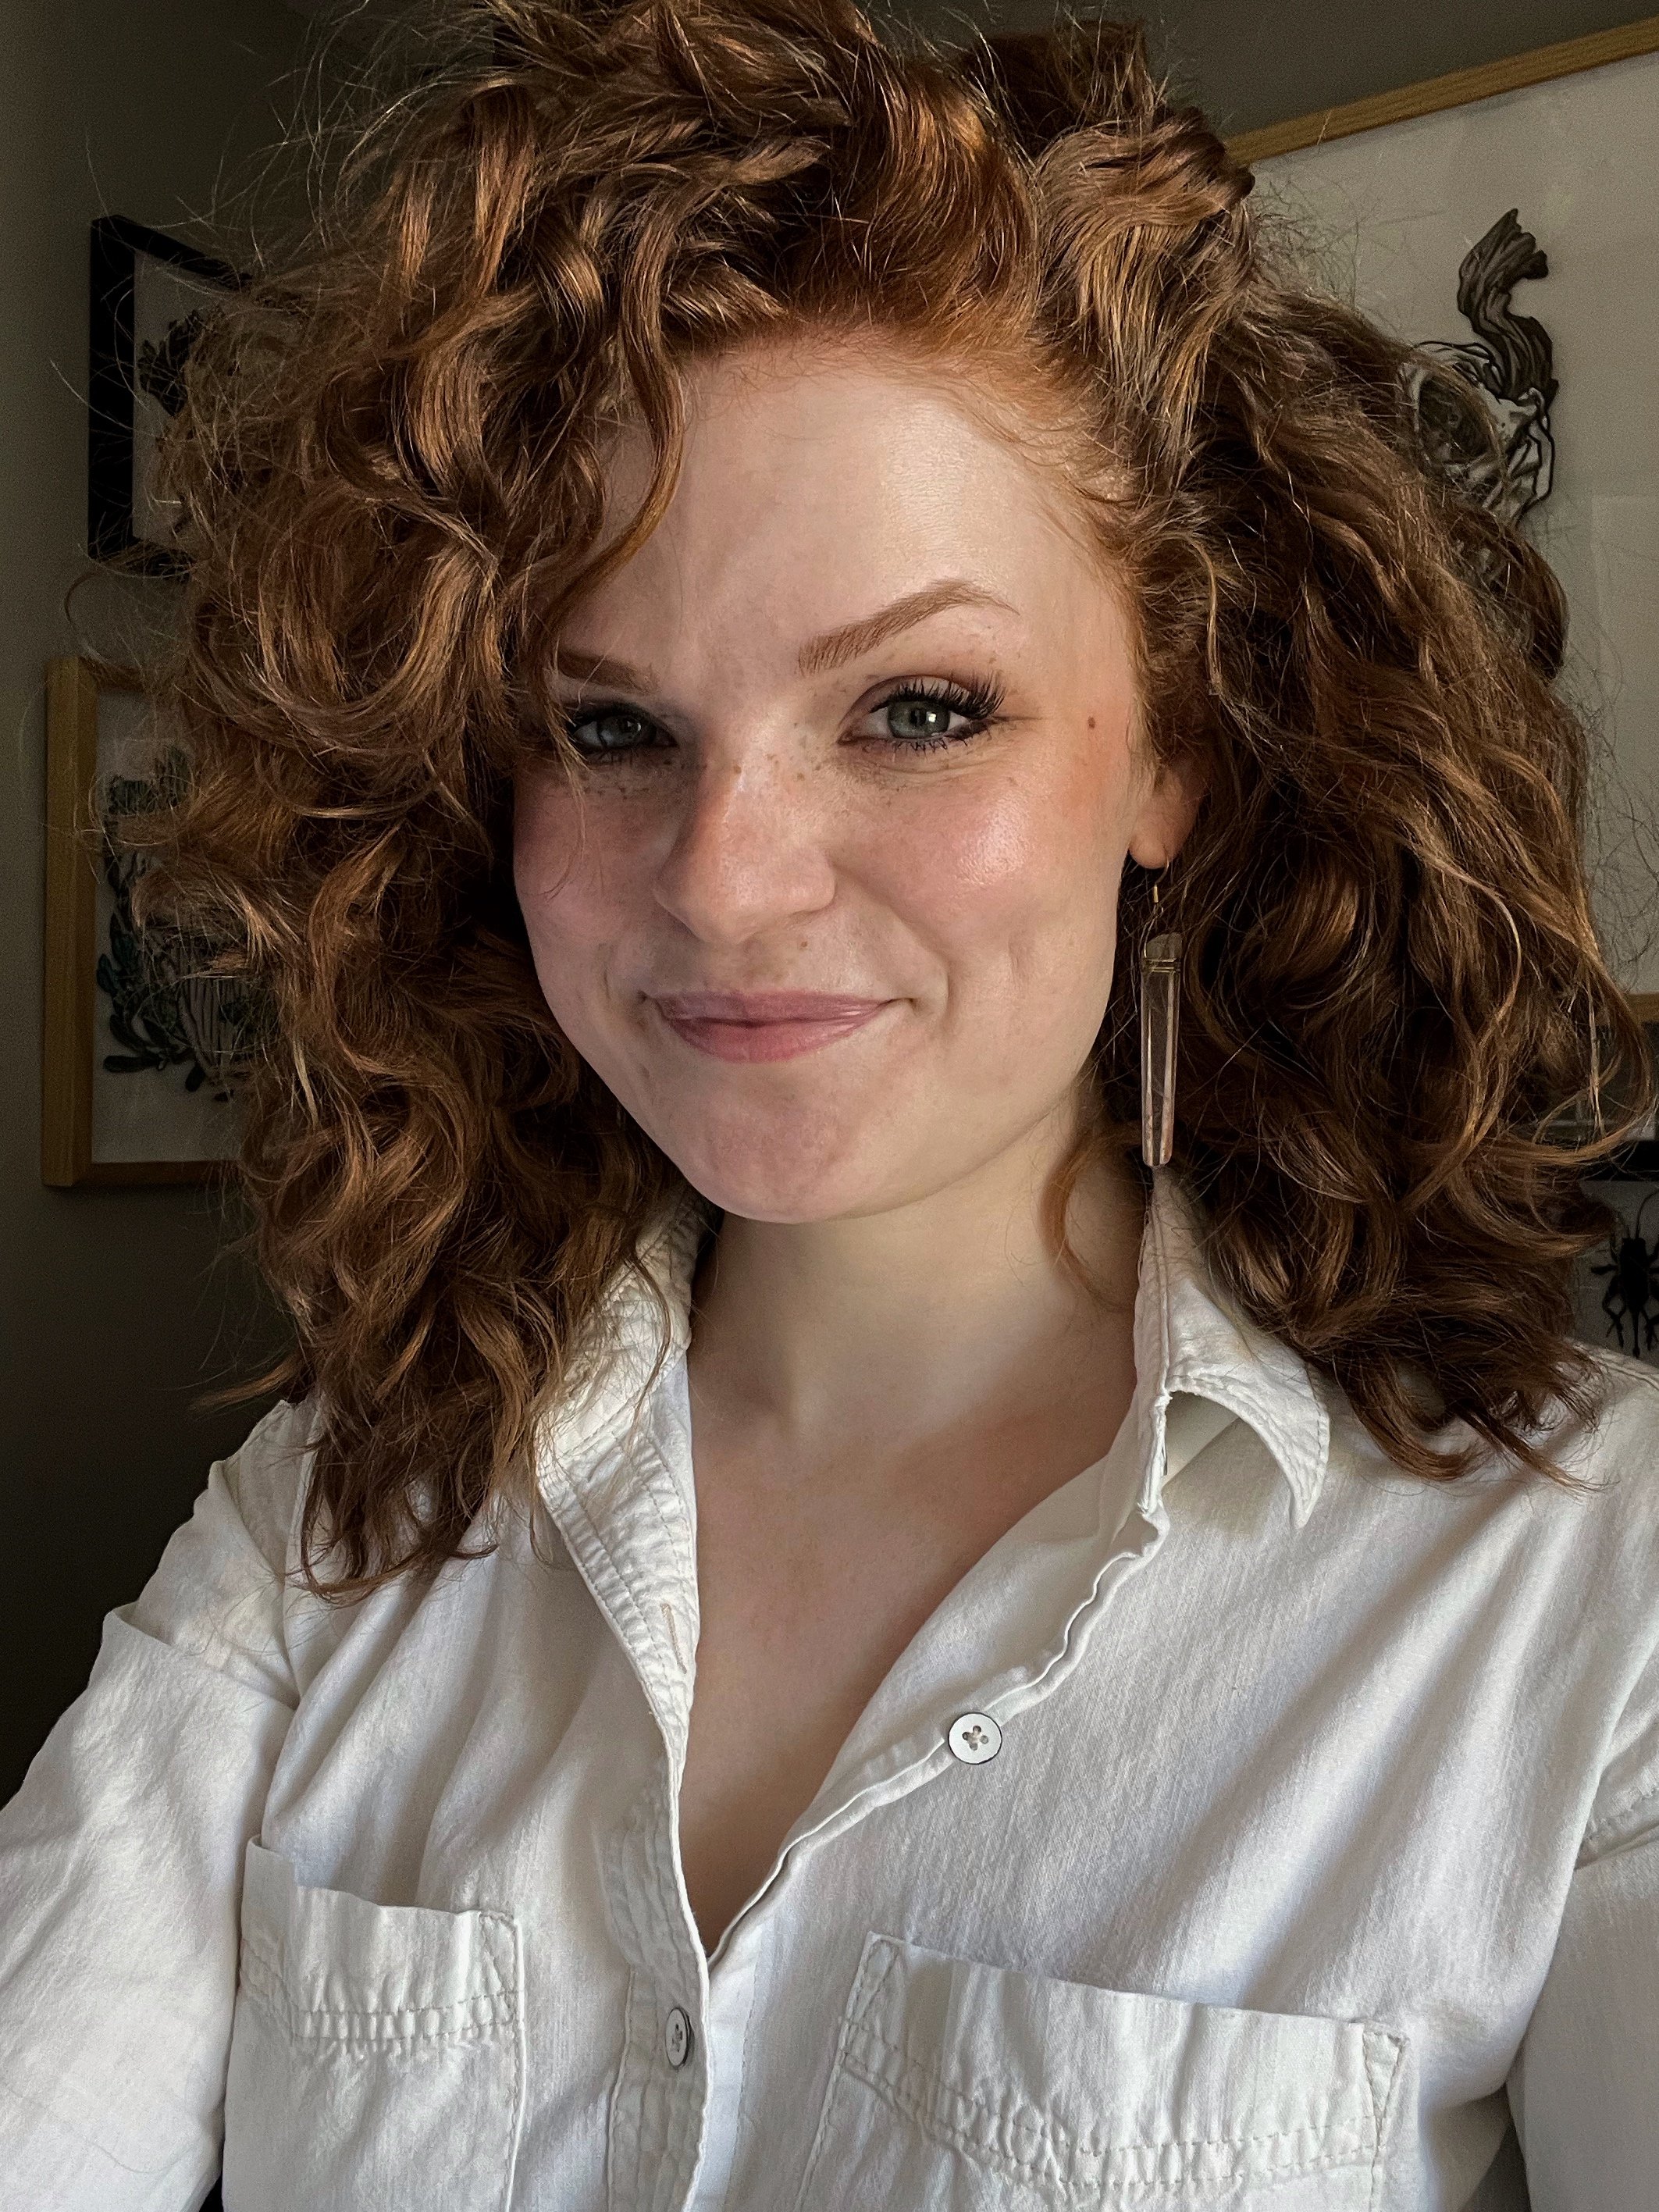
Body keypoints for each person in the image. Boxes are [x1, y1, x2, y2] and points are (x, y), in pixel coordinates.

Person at [2, 2, 1655, 2204]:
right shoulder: (330, 1523)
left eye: (917, 706)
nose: (724, 880)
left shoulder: (1583, 1594)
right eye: (611, 729)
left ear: (1175, 745)